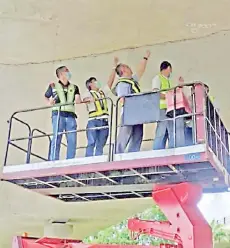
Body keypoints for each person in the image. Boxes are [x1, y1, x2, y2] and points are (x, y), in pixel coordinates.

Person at [112, 51, 151, 153]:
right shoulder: (122, 83)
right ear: (124, 70)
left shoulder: (132, 81)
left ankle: (133, 153)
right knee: (125, 133)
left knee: (138, 134)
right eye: (128, 67)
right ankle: (117, 154)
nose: (131, 69)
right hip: (129, 112)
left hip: (137, 112)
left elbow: (140, 71)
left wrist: (145, 58)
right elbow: (123, 99)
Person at [83, 57, 119, 157]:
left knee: (101, 144)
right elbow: (84, 100)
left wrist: (114, 67)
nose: (97, 82)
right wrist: (89, 100)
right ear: (90, 84)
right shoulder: (88, 93)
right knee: (91, 142)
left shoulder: (102, 92)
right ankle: (88, 160)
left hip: (104, 121)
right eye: (95, 81)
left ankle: (97, 160)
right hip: (93, 121)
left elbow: (110, 82)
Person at [44, 66, 81, 161]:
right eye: (66, 71)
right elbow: (46, 96)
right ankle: (53, 160)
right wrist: (49, 103)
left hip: (71, 116)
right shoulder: (53, 86)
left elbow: (78, 99)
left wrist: (79, 100)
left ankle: (70, 160)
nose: (69, 72)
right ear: (60, 74)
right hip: (58, 115)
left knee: (72, 140)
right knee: (56, 138)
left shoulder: (74, 87)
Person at [152, 61, 185, 150]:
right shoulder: (157, 78)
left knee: (171, 131)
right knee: (161, 131)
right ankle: (156, 151)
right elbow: (156, 93)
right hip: (162, 108)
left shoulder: (167, 81)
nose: (170, 73)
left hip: (169, 109)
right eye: (170, 70)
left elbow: (171, 94)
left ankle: (172, 150)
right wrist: (168, 96)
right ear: (168, 68)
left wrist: (179, 86)